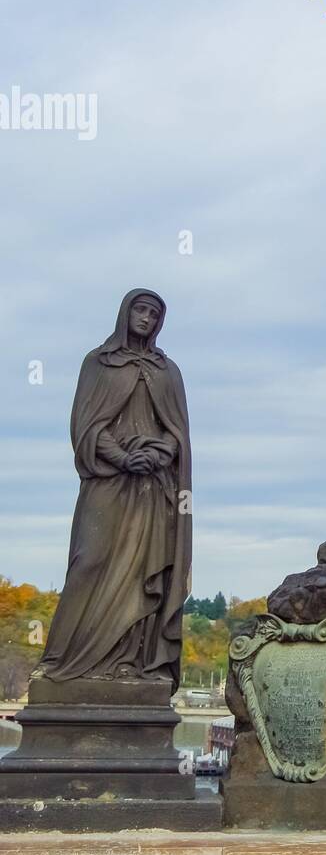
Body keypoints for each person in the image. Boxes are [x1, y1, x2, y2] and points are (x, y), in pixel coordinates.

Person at [35, 289, 192, 692]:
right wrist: (122, 457)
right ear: (125, 313)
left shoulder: (167, 370)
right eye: (140, 310)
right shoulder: (99, 363)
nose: (147, 319)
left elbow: (178, 432)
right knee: (90, 560)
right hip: (108, 481)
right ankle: (60, 662)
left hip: (153, 488)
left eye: (155, 314)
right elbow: (85, 425)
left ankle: (131, 663)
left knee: (142, 573)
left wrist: (161, 453)